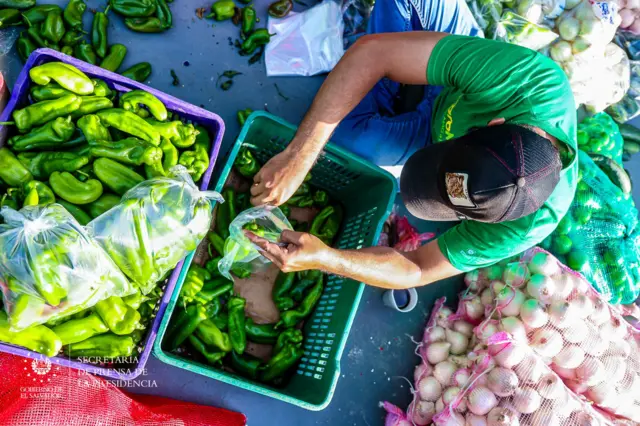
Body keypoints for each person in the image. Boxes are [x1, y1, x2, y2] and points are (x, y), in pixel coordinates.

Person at [245, 0, 578, 289]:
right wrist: (298, 156)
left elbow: (418, 268)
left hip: (422, 135)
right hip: (456, 80)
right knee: (325, 127)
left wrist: (328, 258)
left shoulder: (522, 227)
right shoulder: (531, 84)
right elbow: (372, 51)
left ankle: (392, 79)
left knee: (344, 145)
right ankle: (397, 71)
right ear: (494, 123)